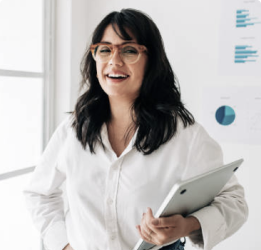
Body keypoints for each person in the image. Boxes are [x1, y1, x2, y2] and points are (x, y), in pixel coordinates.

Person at [24, 8, 248, 250]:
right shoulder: (73, 129)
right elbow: (38, 193)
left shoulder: (185, 135)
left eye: (129, 51)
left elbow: (234, 203)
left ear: (151, 61)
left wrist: (187, 225)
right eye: (105, 49)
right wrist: (64, 245)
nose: (114, 61)